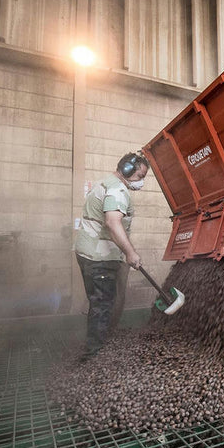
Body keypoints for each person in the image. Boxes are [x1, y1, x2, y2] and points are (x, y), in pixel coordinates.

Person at [74, 152, 150, 357]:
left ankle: (100, 340)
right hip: (99, 257)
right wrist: (130, 253)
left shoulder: (104, 183)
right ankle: (94, 354)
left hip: (86, 252)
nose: (141, 182)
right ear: (126, 170)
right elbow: (112, 223)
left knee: (99, 300)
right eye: (140, 176)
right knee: (102, 303)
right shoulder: (117, 190)